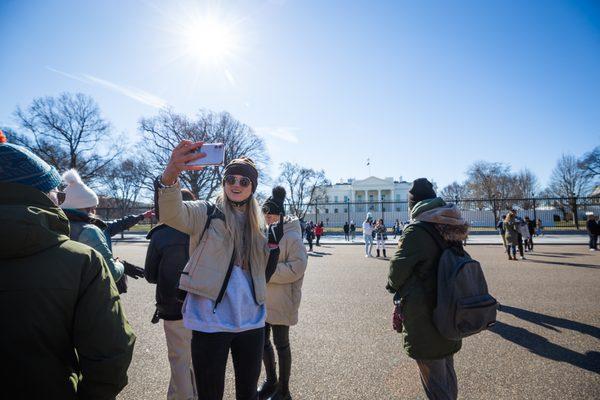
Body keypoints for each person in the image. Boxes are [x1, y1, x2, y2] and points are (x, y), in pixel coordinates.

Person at [0, 135, 135, 399]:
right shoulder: (82, 260)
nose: (60, 200)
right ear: (41, 194)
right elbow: (110, 355)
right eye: (57, 194)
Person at [156, 141, 283, 400]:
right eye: (231, 179)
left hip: (251, 321)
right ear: (224, 182)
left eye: (244, 181)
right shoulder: (206, 211)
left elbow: (266, 271)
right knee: (210, 394)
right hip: (209, 321)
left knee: (247, 394)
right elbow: (171, 214)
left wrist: (275, 239)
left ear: (252, 188)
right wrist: (171, 174)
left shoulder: (260, 224)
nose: (236, 184)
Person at [386, 178, 467, 400]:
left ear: (413, 204)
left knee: (434, 381)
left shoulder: (417, 230)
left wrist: (392, 286)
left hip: (425, 312)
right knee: (447, 371)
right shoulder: (450, 224)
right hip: (450, 307)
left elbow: (396, 271)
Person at [145, 188, 198, 400]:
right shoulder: (201, 229)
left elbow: (150, 275)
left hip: (173, 304)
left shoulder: (161, 233)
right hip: (202, 302)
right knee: (196, 358)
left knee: (179, 359)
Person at [259, 187, 308, 400]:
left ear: (281, 214)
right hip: (262, 297)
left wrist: (266, 273)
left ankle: (284, 389)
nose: (268, 217)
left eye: (272, 214)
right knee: (262, 342)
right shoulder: (264, 232)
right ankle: (271, 380)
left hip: (282, 298)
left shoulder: (292, 236)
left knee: (281, 344)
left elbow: (297, 267)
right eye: (266, 213)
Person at [59, 169, 126, 282]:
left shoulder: (53, 223)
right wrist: (120, 264)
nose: (95, 211)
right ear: (88, 207)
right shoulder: (89, 231)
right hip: (87, 292)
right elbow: (111, 273)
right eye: (94, 207)